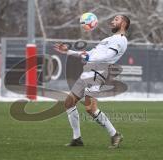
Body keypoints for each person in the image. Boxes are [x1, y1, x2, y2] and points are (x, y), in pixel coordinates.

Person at [54, 15, 130, 148]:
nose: (112, 21)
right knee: (69, 102)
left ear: (124, 23)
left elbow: (108, 56)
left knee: (90, 108)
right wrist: (68, 51)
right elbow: (90, 53)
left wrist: (91, 56)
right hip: (88, 71)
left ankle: (115, 134)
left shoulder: (121, 40)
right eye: (113, 19)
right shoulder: (108, 39)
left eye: (116, 19)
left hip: (98, 72)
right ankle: (77, 139)